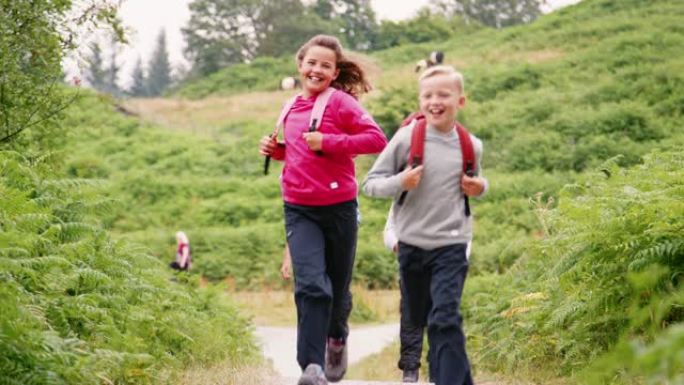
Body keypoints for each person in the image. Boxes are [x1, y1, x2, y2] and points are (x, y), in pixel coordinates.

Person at [258, 34, 387, 385]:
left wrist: (329, 142)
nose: (316, 69)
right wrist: (277, 151)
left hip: (339, 209)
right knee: (312, 286)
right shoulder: (289, 106)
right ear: (300, 65)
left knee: (338, 290)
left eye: (325, 65)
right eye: (311, 63)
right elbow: (301, 152)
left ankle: (337, 337)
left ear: (334, 73)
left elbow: (377, 139)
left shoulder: (342, 103)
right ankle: (311, 366)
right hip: (299, 210)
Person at [362, 65, 488, 385]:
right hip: (412, 245)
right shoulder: (407, 139)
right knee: (419, 316)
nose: (435, 101)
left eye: (443, 95)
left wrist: (479, 187)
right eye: (427, 95)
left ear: (460, 101)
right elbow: (371, 184)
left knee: (445, 317)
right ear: (420, 101)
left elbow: (476, 183)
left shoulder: (470, 145)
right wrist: (401, 181)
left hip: (452, 242)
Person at [384, 205, 472, 383]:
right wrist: (396, 244)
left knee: (442, 315)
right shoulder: (407, 186)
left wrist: (459, 260)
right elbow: (390, 228)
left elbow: (465, 230)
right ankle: (410, 367)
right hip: (413, 264)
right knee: (411, 315)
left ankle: (438, 368)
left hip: (447, 266)